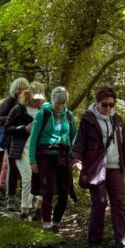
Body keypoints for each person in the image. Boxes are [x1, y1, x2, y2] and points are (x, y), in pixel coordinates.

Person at [72, 85, 125, 248]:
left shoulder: (118, 120)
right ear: (97, 103)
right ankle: (94, 241)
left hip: (115, 167)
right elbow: (79, 143)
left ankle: (124, 244)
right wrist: (76, 160)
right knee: (99, 204)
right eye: (104, 105)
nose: (108, 108)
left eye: (111, 105)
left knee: (119, 204)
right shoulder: (88, 120)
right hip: (96, 168)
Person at [29, 86, 76, 232]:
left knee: (64, 192)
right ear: (52, 100)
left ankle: (56, 222)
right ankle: (46, 224)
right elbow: (33, 138)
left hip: (64, 155)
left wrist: (75, 156)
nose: (59, 107)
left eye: (62, 105)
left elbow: (74, 136)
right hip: (45, 156)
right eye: (57, 104)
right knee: (47, 190)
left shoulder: (69, 115)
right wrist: (32, 160)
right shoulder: (42, 114)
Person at [5, 82, 46, 219]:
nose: (36, 100)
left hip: (39, 150)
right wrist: (23, 128)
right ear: (28, 95)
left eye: (39, 98)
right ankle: (25, 209)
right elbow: (7, 128)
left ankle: (37, 207)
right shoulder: (18, 109)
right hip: (20, 148)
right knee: (27, 177)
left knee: (39, 178)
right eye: (34, 97)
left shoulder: (44, 112)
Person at [0, 78, 29, 198]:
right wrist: (11, 118)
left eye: (24, 89)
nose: (21, 92)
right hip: (11, 139)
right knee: (12, 168)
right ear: (14, 90)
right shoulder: (9, 102)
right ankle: (10, 196)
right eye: (19, 89)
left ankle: (25, 197)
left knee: (26, 169)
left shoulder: (29, 102)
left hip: (27, 139)